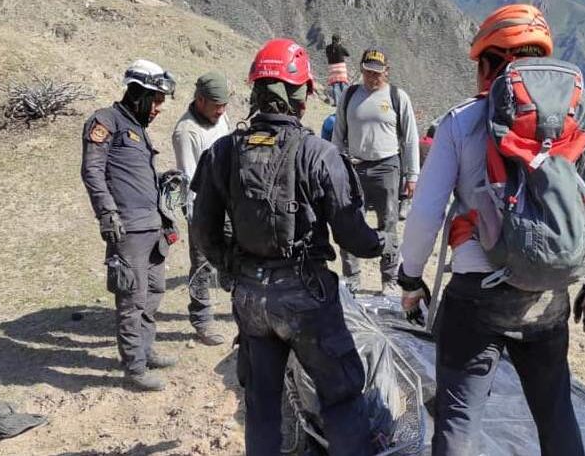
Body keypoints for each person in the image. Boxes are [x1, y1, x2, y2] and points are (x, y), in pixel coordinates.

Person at [397, 4, 585, 455]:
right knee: (555, 412)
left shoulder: (462, 121)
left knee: (459, 420)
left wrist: (411, 277)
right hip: (547, 298)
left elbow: (426, 211)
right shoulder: (579, 123)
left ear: (487, 64)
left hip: (476, 293)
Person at [190, 38, 390, 456]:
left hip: (250, 299)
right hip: (307, 298)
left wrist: (233, 267)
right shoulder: (319, 154)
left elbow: (203, 231)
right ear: (300, 96)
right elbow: (352, 235)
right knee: (341, 396)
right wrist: (383, 245)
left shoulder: (223, 151)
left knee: (262, 403)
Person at [81, 59, 178, 391]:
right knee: (131, 300)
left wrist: (165, 180)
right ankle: (134, 368)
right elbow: (92, 171)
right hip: (128, 230)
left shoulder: (138, 129)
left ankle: (146, 350)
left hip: (153, 226)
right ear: (140, 94)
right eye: (157, 101)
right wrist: (107, 214)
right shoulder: (105, 121)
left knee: (153, 292)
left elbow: (135, 176)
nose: (159, 109)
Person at [332, 47, 419, 295]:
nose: (373, 78)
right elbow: (338, 133)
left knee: (388, 225)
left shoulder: (396, 96)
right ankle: (352, 278)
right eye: (368, 72)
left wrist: (412, 175)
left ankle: (389, 280)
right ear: (361, 70)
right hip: (354, 168)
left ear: (387, 72)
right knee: (349, 222)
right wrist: (335, 165)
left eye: (378, 73)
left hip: (387, 167)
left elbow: (411, 138)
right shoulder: (349, 96)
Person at [172, 71, 232, 346]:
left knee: (235, 257)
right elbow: (189, 180)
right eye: (216, 105)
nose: (221, 111)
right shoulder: (187, 132)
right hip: (204, 209)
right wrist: (200, 223)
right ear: (199, 100)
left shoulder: (220, 119)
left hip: (229, 202)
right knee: (202, 265)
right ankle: (202, 320)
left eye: (224, 105)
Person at [325, 34, 350, 106]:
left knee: (335, 85)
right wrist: (340, 45)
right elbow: (347, 54)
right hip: (341, 67)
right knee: (343, 84)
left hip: (332, 68)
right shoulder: (340, 47)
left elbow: (327, 55)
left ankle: (337, 102)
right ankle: (345, 101)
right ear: (339, 40)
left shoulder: (328, 47)